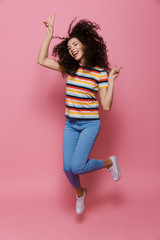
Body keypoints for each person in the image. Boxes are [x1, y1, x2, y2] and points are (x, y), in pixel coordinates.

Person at [37, 14, 123, 215]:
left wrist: (111, 81)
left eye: (75, 44)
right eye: (69, 47)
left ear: (85, 44)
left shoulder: (99, 73)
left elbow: (107, 106)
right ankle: (80, 192)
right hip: (71, 124)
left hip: (89, 125)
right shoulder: (70, 68)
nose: (72, 49)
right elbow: (41, 60)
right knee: (67, 168)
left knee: (77, 166)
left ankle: (109, 162)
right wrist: (49, 34)